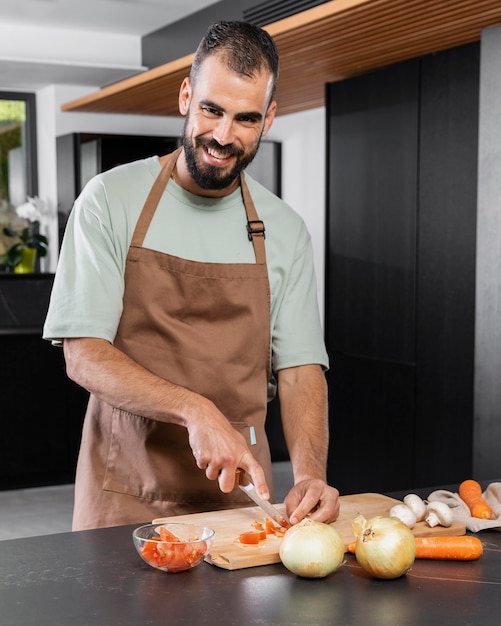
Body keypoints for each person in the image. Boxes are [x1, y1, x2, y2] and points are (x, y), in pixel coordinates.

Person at [43, 20, 340, 530]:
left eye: (245, 118)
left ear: (269, 118)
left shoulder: (286, 230)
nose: (223, 137)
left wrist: (311, 473)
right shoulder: (110, 201)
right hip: (124, 491)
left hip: (243, 499)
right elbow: (83, 354)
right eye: (211, 110)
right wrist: (194, 410)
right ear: (186, 96)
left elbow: (300, 370)